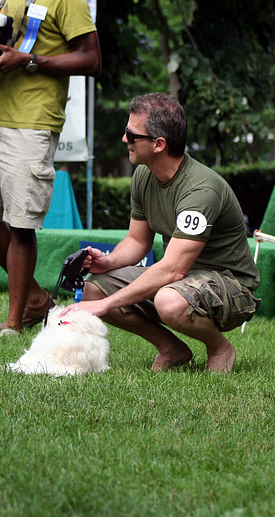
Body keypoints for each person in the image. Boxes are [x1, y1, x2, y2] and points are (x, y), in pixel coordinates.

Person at [61, 93, 260, 373]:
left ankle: (220, 347)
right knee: (95, 287)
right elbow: (137, 241)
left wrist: (106, 306)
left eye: (132, 135)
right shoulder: (144, 174)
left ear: (159, 144)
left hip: (231, 286)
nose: (124, 139)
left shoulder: (201, 190)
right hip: (183, 279)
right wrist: (109, 262)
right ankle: (172, 348)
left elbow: (173, 270)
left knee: (168, 300)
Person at [0, 0, 101, 336]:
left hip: (32, 122)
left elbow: (91, 60)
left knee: (20, 223)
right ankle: (35, 299)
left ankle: (14, 322)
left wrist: (30, 61)